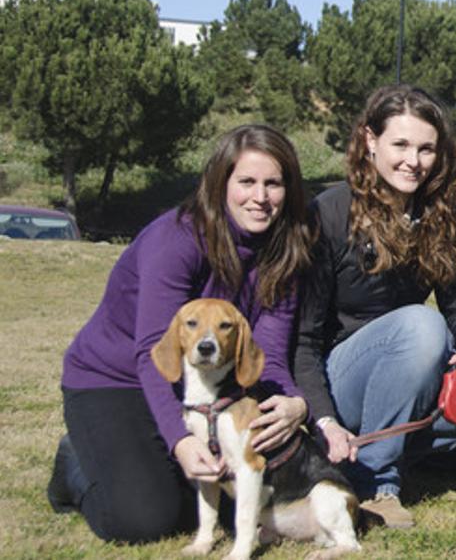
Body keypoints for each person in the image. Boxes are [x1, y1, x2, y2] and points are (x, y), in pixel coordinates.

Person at [48, 125, 313, 543]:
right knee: (144, 520)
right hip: (118, 380)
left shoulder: (285, 254)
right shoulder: (177, 238)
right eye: (246, 182)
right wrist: (179, 441)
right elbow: (151, 351)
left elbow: (271, 355)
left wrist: (295, 403)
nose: (260, 197)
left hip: (206, 386)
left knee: (231, 502)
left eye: (273, 184)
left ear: (288, 189)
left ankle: (144, 462)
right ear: (220, 183)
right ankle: (75, 467)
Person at [294, 84, 456, 529]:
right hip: (338, 380)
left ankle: (392, 451)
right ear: (369, 141)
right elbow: (301, 339)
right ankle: (374, 481)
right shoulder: (330, 212)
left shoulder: (440, 213)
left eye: (426, 149)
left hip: (410, 371)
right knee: (421, 326)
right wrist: (321, 419)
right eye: (400, 144)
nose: (412, 161)